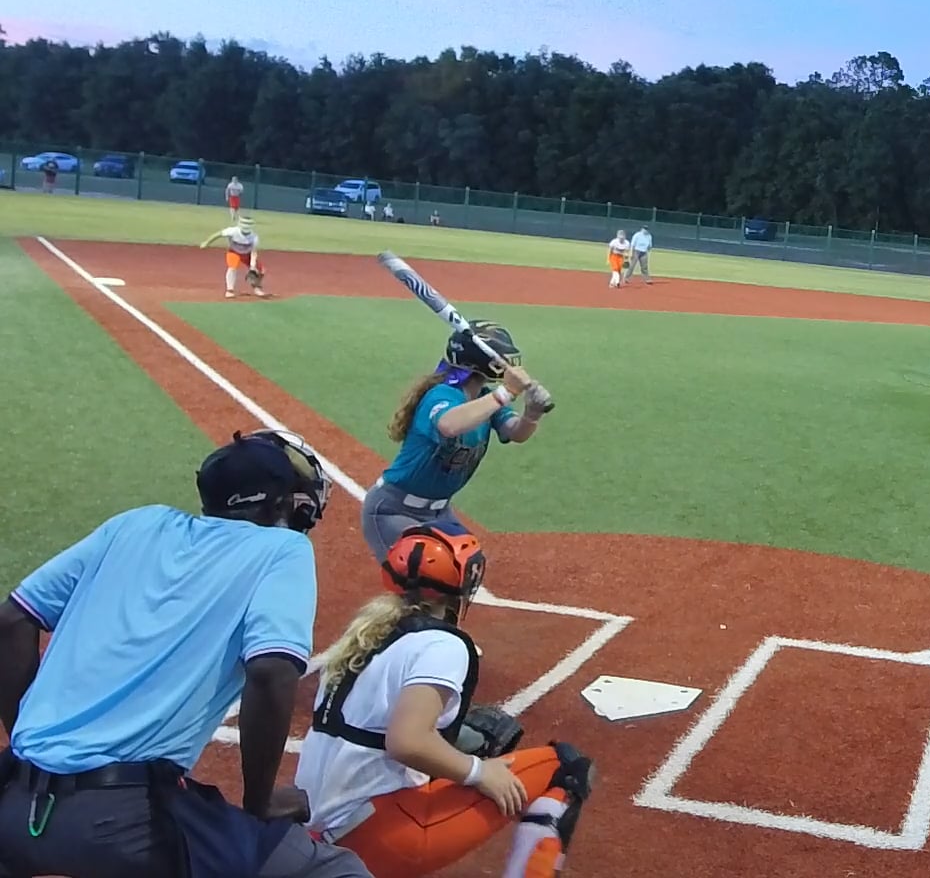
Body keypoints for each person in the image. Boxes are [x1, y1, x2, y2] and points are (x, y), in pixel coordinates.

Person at [0, 429, 373, 877]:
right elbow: (272, 671)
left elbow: (12, 619)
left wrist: (32, 746)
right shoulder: (283, 549)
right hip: (126, 824)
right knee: (336, 870)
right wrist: (259, 802)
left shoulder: (136, 523)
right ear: (279, 505)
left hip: (13, 804)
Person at [295, 526, 596, 876]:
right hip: (373, 833)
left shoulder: (365, 635)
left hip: (313, 830)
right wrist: (479, 771)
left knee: (458, 753)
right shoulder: (443, 644)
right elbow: (407, 742)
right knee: (564, 767)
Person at [361, 321, 550, 561]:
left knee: (468, 566)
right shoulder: (442, 395)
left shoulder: (484, 399)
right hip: (393, 510)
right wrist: (506, 393)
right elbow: (449, 425)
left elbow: (516, 433)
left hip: (439, 513)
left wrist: (532, 413)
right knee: (424, 575)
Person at [199, 214, 268, 300]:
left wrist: (252, 266)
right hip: (234, 252)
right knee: (232, 268)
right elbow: (218, 234)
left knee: (261, 270)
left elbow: (253, 252)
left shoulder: (254, 237)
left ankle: (257, 288)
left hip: (247, 254)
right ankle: (230, 290)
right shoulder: (233, 231)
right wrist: (206, 242)